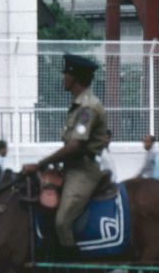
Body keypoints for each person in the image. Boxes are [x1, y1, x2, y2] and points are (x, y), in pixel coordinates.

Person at [32, 53, 111, 259]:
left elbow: (75, 145)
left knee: (62, 222)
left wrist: (41, 163)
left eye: (66, 74)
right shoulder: (78, 104)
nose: (63, 78)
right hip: (71, 168)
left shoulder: (87, 108)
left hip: (84, 171)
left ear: (75, 78)